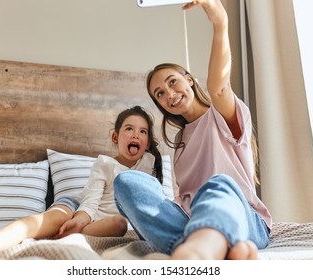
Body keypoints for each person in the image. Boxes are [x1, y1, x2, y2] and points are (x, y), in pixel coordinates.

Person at [113, 0, 272, 260]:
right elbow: (181, 201)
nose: (170, 94)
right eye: (160, 94)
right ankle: (218, 245)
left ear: (190, 80)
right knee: (126, 182)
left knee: (218, 184)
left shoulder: (221, 113)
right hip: (192, 220)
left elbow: (219, 87)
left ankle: (200, 249)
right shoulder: (180, 143)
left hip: (243, 217)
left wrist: (220, 22)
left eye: (173, 82)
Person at [0, 105, 163, 257]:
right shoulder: (105, 164)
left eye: (142, 131)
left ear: (147, 143)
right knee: (51, 220)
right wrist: (80, 219)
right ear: (115, 138)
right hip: (79, 206)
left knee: (118, 224)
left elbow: (154, 205)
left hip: (102, 224)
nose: (136, 134)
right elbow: (90, 200)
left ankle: (55, 237)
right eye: (129, 129)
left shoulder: (148, 167)